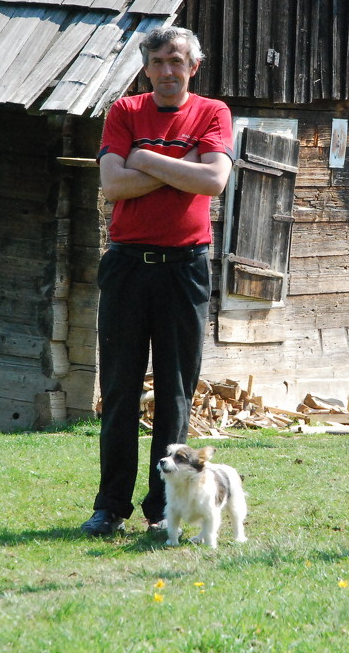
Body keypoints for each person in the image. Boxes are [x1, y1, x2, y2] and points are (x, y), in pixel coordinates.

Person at [81, 26, 233, 536]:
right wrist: (177, 165)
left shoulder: (213, 113)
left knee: (175, 394)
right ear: (146, 67)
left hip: (185, 267)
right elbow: (112, 185)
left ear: (194, 66)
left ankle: (158, 512)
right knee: (120, 391)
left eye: (178, 61)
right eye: (159, 62)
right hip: (127, 265)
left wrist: (144, 159)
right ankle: (109, 508)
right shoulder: (124, 113)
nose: (168, 71)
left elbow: (213, 180)